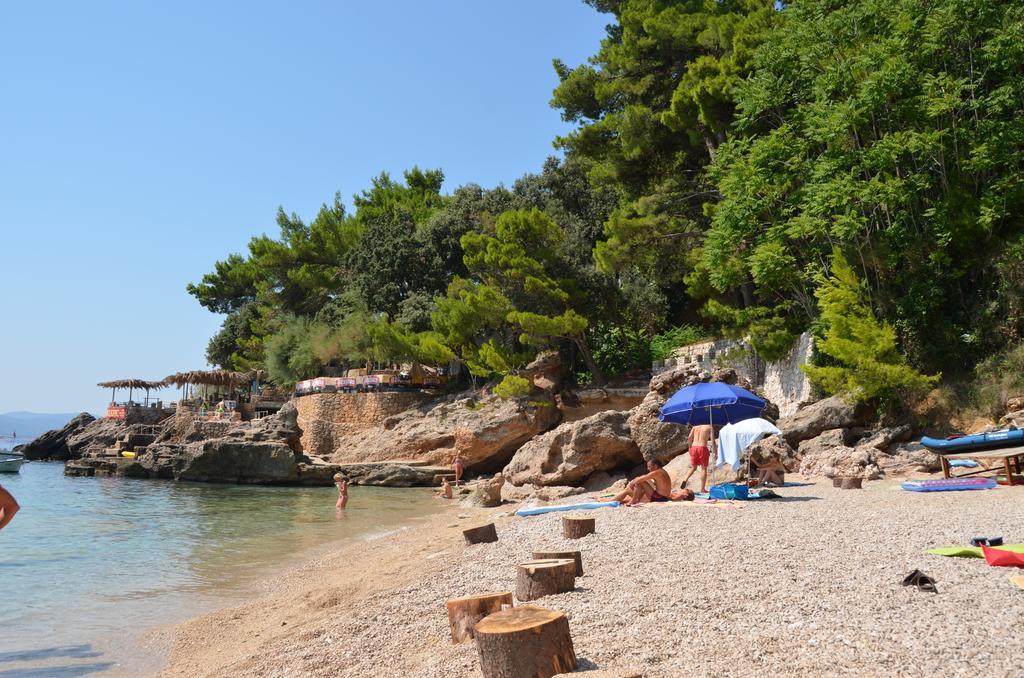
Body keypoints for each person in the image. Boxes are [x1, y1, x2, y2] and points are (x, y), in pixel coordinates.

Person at [613, 459, 689, 505]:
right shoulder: (662, 472)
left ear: (655, 466)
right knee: (635, 486)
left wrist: (632, 483)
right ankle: (636, 500)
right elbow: (648, 480)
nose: (648, 468)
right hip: (662, 497)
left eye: (649, 466)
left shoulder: (657, 472)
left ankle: (633, 501)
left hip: (659, 498)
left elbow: (642, 478)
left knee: (638, 483)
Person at [683, 423, 714, 493]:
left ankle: (685, 479)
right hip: (702, 447)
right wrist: (715, 451)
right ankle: (702, 489)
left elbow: (689, 437)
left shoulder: (695, 426)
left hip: (694, 447)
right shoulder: (709, 427)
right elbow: (712, 441)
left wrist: (689, 447)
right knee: (704, 468)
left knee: (693, 467)